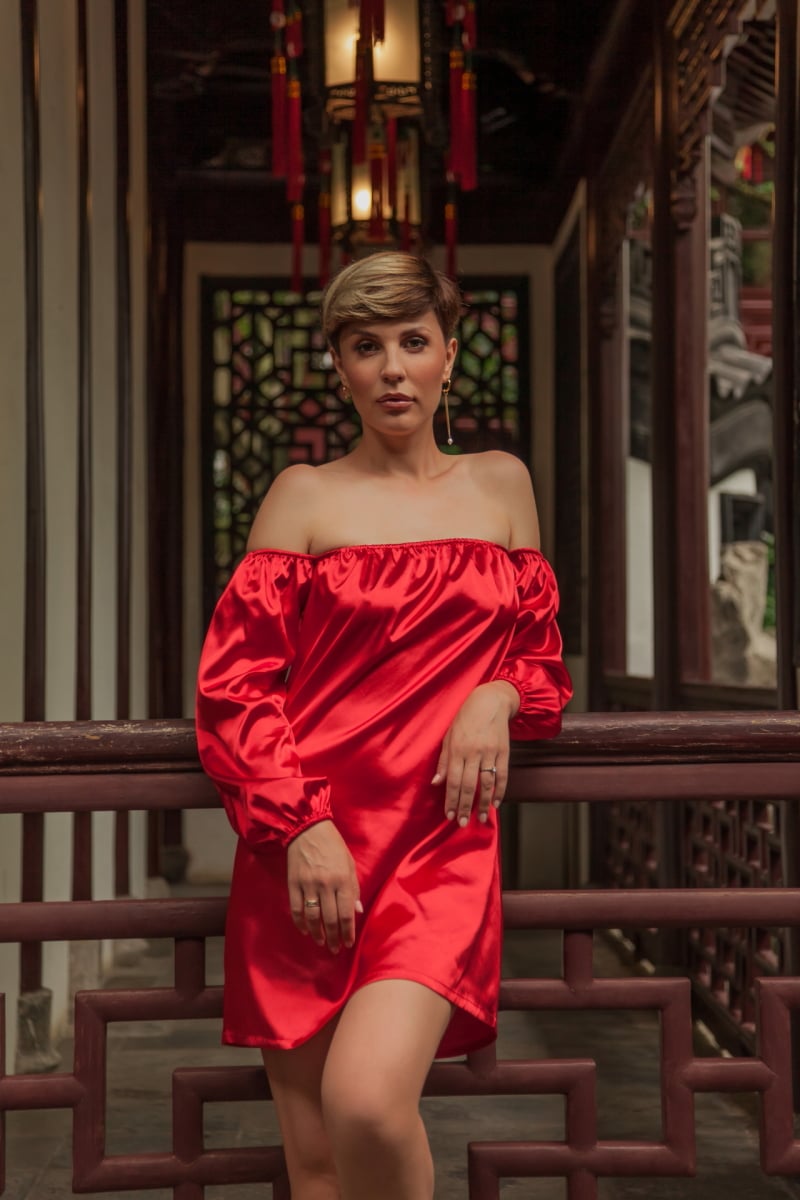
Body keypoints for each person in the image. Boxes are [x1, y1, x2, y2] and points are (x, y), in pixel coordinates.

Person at [195, 250, 572, 1200]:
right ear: (341, 364)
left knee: (367, 1101)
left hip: (441, 850)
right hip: (310, 848)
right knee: (317, 1163)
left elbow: (539, 660)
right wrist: (301, 826)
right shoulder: (302, 496)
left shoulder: (500, 486)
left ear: (451, 354)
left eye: (414, 341)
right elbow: (236, 688)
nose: (393, 367)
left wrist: (496, 698)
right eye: (368, 346)